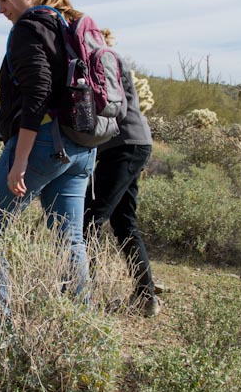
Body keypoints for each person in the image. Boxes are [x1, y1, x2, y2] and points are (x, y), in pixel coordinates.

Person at [0, 0, 96, 304]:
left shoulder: (30, 27)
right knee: (69, 239)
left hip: (42, 144)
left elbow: (38, 94)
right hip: (79, 145)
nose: (0, 9)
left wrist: (21, 159)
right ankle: (79, 332)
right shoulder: (65, 22)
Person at [83, 36, 160, 317]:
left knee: (89, 219)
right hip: (133, 143)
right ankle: (146, 296)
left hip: (123, 147)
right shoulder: (109, 59)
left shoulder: (102, 60)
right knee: (123, 222)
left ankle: (81, 298)